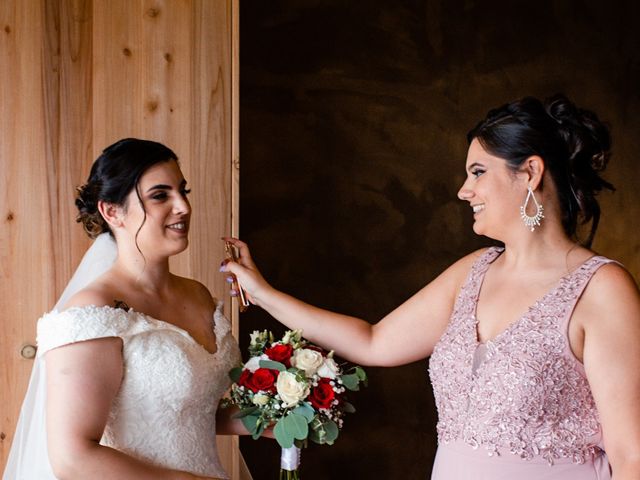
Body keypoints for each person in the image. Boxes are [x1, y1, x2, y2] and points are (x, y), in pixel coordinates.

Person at [222, 95, 640, 479]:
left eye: (478, 172)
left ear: (530, 172)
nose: (464, 190)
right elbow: (373, 341)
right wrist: (261, 292)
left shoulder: (601, 288)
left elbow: (631, 455)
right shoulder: (473, 271)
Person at [4, 138, 250, 479]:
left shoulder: (198, 294)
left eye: (183, 191)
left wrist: (277, 411)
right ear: (112, 211)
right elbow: (73, 457)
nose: (183, 207)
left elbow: (186, 408)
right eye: (160, 196)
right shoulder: (94, 312)